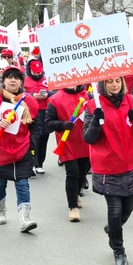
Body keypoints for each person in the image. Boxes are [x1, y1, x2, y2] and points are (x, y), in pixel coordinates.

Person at [83, 77, 133, 265]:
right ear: (102, 84)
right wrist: (96, 121)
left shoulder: (131, 101)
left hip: (130, 165)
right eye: (109, 81)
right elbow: (88, 138)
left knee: (128, 210)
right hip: (107, 166)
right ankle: (119, 250)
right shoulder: (92, 104)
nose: (114, 85)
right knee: (115, 210)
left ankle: (112, 230)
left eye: (117, 81)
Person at [0, 66, 39, 232]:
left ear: (21, 81)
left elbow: (36, 125)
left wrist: (32, 142)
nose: (13, 80)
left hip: (22, 148)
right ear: (3, 81)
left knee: (23, 183)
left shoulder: (29, 101)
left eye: (17, 77)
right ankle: (1, 210)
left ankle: (25, 218)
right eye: (9, 77)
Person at [45, 84, 91, 222]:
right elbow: (48, 124)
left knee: (83, 172)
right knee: (73, 173)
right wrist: (62, 124)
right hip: (67, 143)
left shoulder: (88, 96)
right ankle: (73, 207)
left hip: (86, 142)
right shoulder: (55, 99)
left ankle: (76, 193)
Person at [23, 57, 53, 174]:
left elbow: (56, 92)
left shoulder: (47, 79)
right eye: (35, 72)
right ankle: (31, 163)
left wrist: (47, 94)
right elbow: (20, 93)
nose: (37, 73)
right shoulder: (25, 80)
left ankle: (40, 163)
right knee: (33, 138)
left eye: (39, 71)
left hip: (45, 111)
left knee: (44, 137)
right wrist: (32, 95)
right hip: (30, 112)